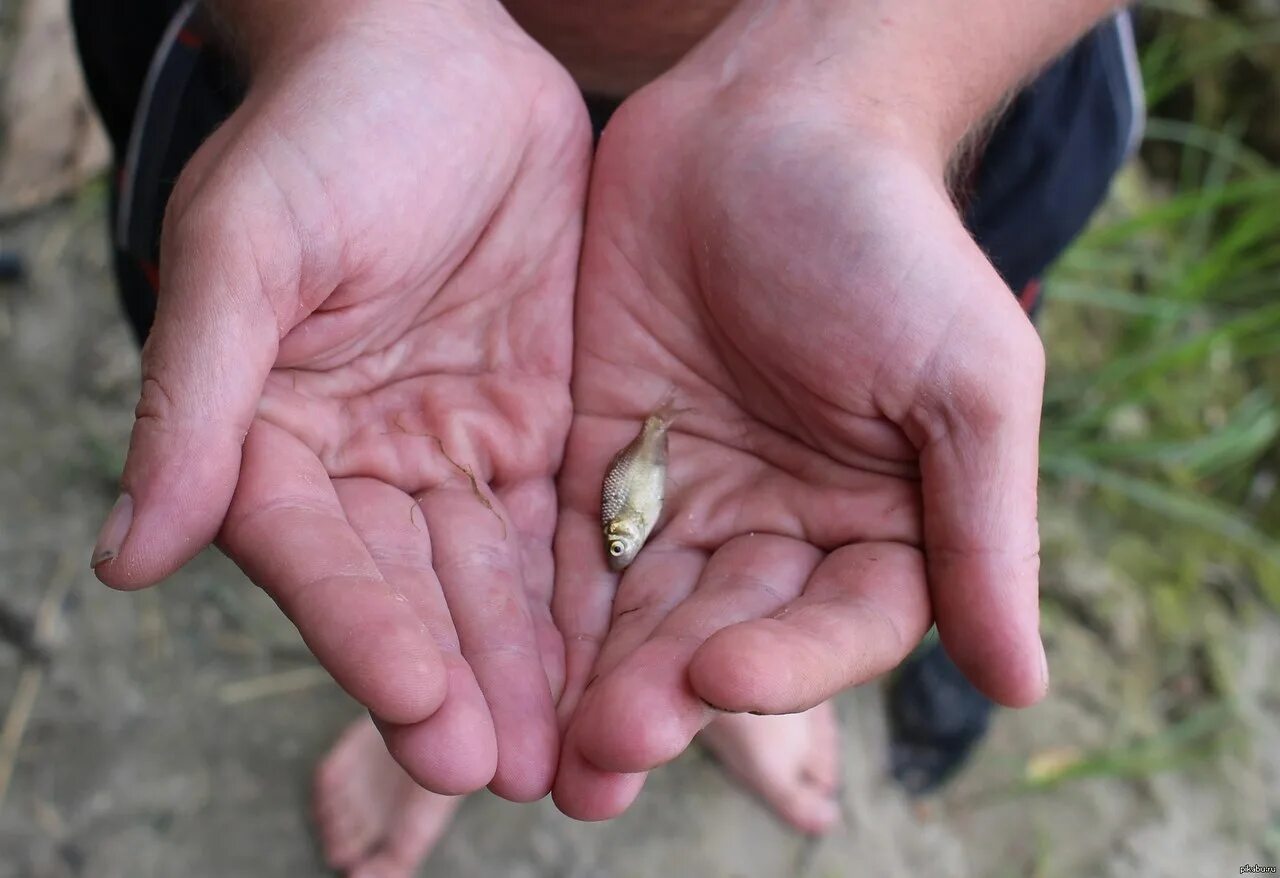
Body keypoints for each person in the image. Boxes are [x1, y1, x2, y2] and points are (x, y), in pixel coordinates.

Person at [71, 0, 1143, 874]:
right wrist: (342, 23)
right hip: (319, 71)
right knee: (322, 467)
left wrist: (877, 85)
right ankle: (426, 714)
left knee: (854, 458)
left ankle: (724, 686)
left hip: (923, 81)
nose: (615, 531)